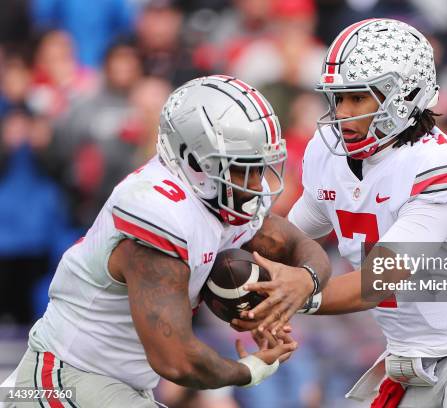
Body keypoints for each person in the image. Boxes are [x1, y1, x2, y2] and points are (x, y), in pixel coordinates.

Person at [240, 19, 447, 407]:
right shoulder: (328, 150)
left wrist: (295, 296)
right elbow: (292, 237)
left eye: (358, 98)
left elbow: (380, 279)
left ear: (404, 96)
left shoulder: (439, 164)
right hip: (406, 363)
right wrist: (237, 279)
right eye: (338, 98)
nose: (342, 113)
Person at [5, 75, 331, 408]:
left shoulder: (219, 196)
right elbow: (176, 360)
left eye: (259, 167)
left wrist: (303, 281)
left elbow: (301, 247)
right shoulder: (159, 211)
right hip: (66, 377)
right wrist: (251, 369)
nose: (254, 183)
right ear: (193, 160)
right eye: (239, 168)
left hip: (117, 383)